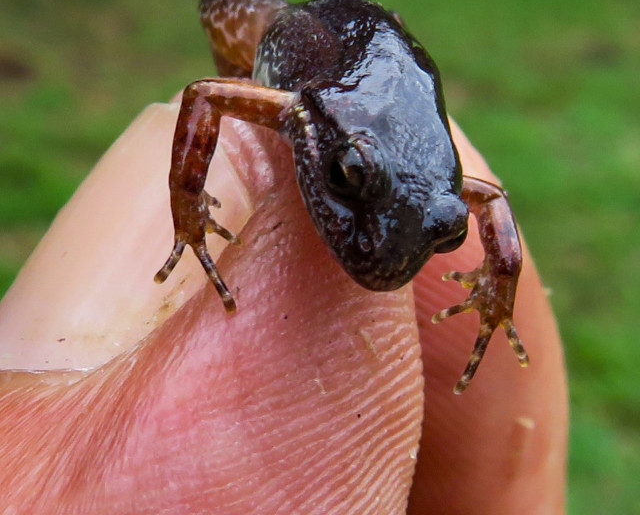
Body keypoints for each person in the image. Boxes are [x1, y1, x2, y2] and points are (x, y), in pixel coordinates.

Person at [0, 104, 567, 514]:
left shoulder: (441, 187)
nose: (388, 260)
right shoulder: (301, 105)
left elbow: (487, 200)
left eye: (442, 234)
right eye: (348, 180)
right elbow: (208, 94)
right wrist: (188, 208)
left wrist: (500, 284)